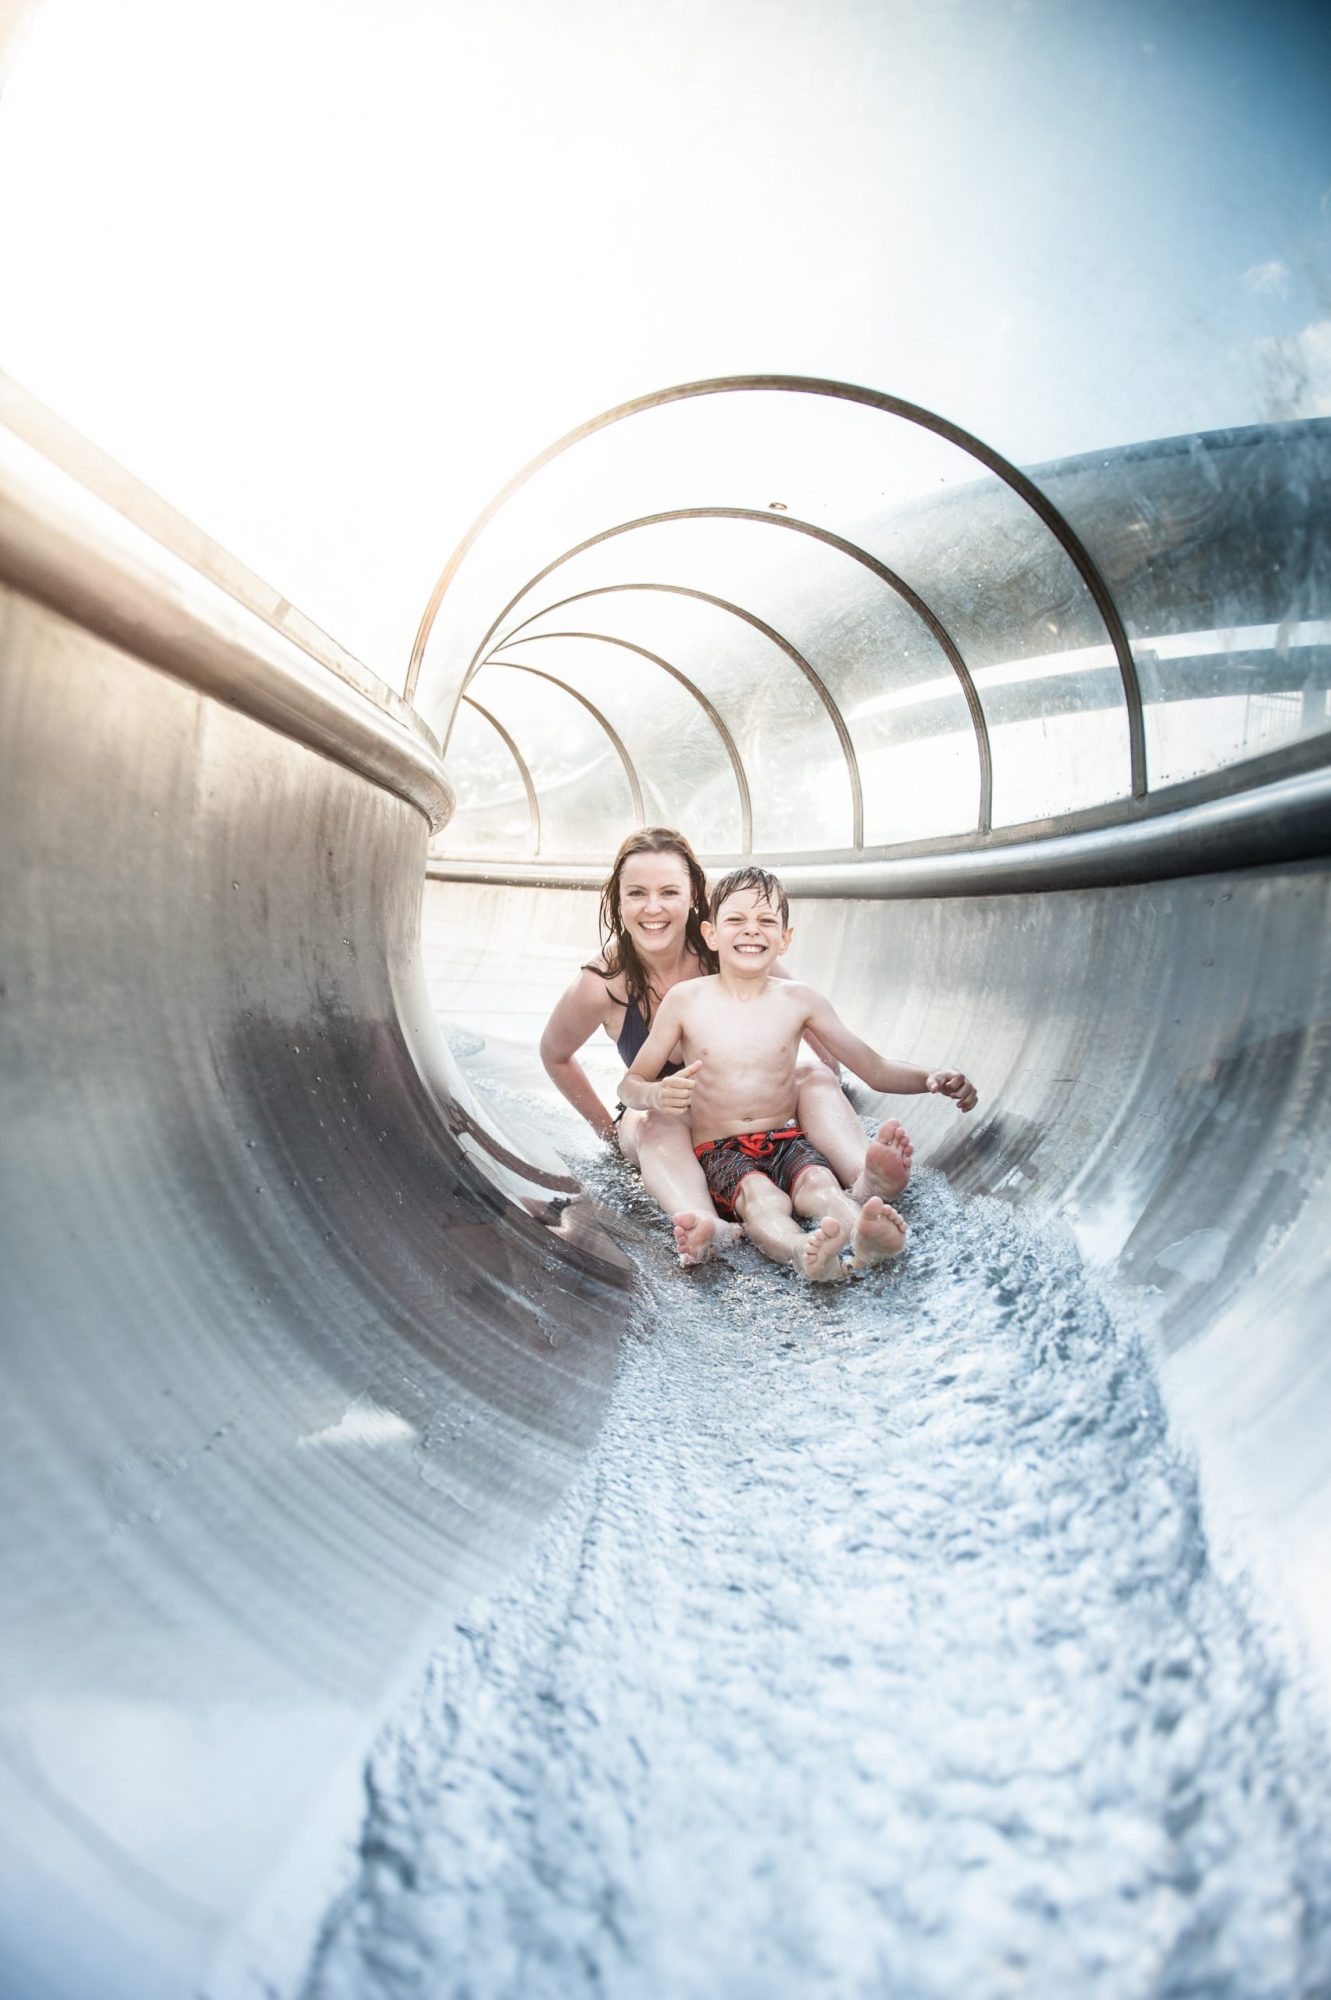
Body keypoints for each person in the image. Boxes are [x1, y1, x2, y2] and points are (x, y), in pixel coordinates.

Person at [540, 829, 914, 1266]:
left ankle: (864, 1183)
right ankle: (702, 1219)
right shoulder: (601, 983)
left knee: (812, 1075)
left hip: (743, 1108)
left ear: (693, 896)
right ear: (619, 901)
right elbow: (555, 1054)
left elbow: (805, 1016)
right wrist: (608, 1133)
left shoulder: (733, 941)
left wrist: (829, 1086)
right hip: (667, 1121)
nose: (653, 907)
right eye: (637, 893)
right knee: (651, 1120)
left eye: (669, 892)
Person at [617, 865, 978, 1284]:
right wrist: (657, 1095)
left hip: (785, 1138)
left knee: (820, 1183)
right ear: (711, 934)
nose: (751, 931)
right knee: (762, 1201)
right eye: (735, 920)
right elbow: (630, 1085)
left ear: (785, 939)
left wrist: (931, 1078)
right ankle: (801, 1253)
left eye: (766, 921)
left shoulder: (801, 1000)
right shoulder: (686, 1001)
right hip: (721, 1149)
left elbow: (873, 1067)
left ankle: (864, 1236)